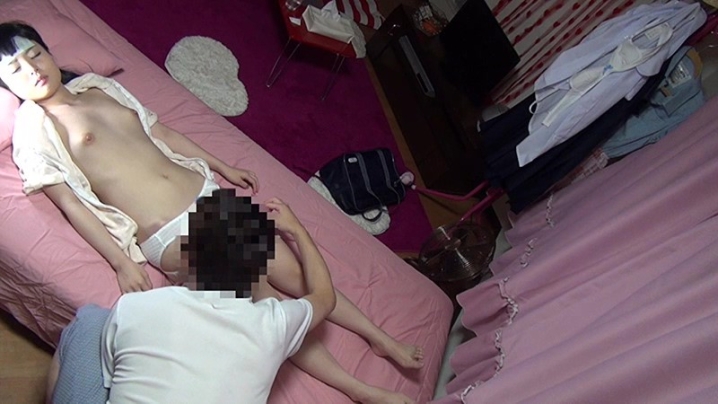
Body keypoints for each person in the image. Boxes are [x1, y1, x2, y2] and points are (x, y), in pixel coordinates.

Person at [0, 21, 422, 403]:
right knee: (265, 300)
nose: (32, 70)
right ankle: (361, 390)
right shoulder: (34, 130)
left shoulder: (98, 86)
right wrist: (120, 261)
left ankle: (380, 337)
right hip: (169, 231)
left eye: (35, 54)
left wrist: (221, 165)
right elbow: (71, 203)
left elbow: (160, 132)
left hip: (206, 196)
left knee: (296, 273)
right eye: (15, 69)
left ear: (49, 51)